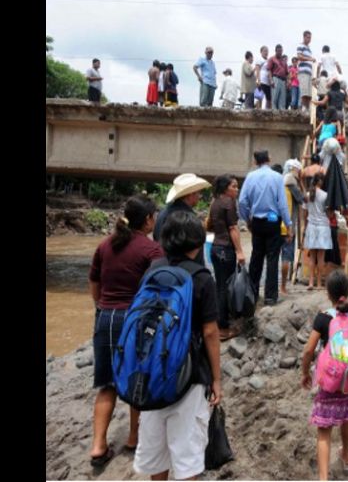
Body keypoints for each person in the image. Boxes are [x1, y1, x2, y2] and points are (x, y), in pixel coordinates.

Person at [133, 211, 222, 481]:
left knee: (155, 455)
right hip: (189, 376)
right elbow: (210, 332)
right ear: (197, 242)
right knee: (187, 459)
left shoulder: (152, 271)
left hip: (151, 372)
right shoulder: (202, 278)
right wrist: (216, 379)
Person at [88, 195, 164, 467]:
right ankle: (133, 437)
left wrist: (101, 307)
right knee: (137, 378)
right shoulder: (152, 250)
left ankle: (98, 446)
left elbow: (94, 282)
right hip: (135, 320)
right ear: (148, 220)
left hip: (106, 317)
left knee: (106, 384)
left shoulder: (105, 245)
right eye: (154, 215)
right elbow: (158, 289)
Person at [300, 270, 348, 480]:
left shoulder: (323, 318)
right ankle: (347, 458)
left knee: (324, 430)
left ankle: (323, 478)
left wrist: (305, 373)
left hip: (330, 381)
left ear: (327, 294)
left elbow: (308, 350)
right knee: (347, 418)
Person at [238, 150, 293, 306]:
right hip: (273, 222)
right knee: (272, 259)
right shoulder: (277, 177)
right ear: (269, 159)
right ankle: (270, 296)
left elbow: (242, 201)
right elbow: (282, 205)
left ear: (255, 161)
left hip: (256, 221)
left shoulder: (250, 177)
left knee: (256, 258)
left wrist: (247, 219)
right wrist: (288, 225)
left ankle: (252, 294)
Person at [207, 174, 245, 340]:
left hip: (215, 248)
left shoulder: (215, 202)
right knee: (225, 288)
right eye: (233, 186)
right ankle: (223, 328)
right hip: (225, 249)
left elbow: (210, 225)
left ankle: (218, 323)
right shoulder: (228, 202)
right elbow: (233, 228)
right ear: (225, 188)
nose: (237, 190)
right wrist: (239, 251)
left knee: (220, 286)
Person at [154, 173, 211, 266]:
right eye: (198, 193)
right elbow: (194, 251)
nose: (199, 196)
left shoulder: (164, 212)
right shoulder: (187, 218)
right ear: (190, 195)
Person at [302, 173, 331, 290]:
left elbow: (305, 214)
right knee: (321, 257)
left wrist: (305, 226)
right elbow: (329, 214)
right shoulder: (325, 195)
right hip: (323, 227)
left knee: (312, 257)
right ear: (320, 182)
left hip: (311, 227)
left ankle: (310, 283)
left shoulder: (308, 195)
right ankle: (319, 284)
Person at [280, 159, 305, 294]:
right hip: (288, 227)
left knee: (273, 258)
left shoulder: (280, 182)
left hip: (275, 225)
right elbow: (303, 199)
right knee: (286, 258)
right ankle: (283, 287)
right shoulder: (291, 182)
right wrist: (301, 182)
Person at [297, 30, 317, 111]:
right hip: (303, 72)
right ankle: (304, 109)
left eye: (310, 38)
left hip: (309, 73)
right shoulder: (300, 45)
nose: (309, 39)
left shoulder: (309, 49)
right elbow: (299, 56)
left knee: (309, 94)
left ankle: (308, 110)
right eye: (308, 37)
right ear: (304, 37)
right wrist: (310, 59)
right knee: (304, 92)